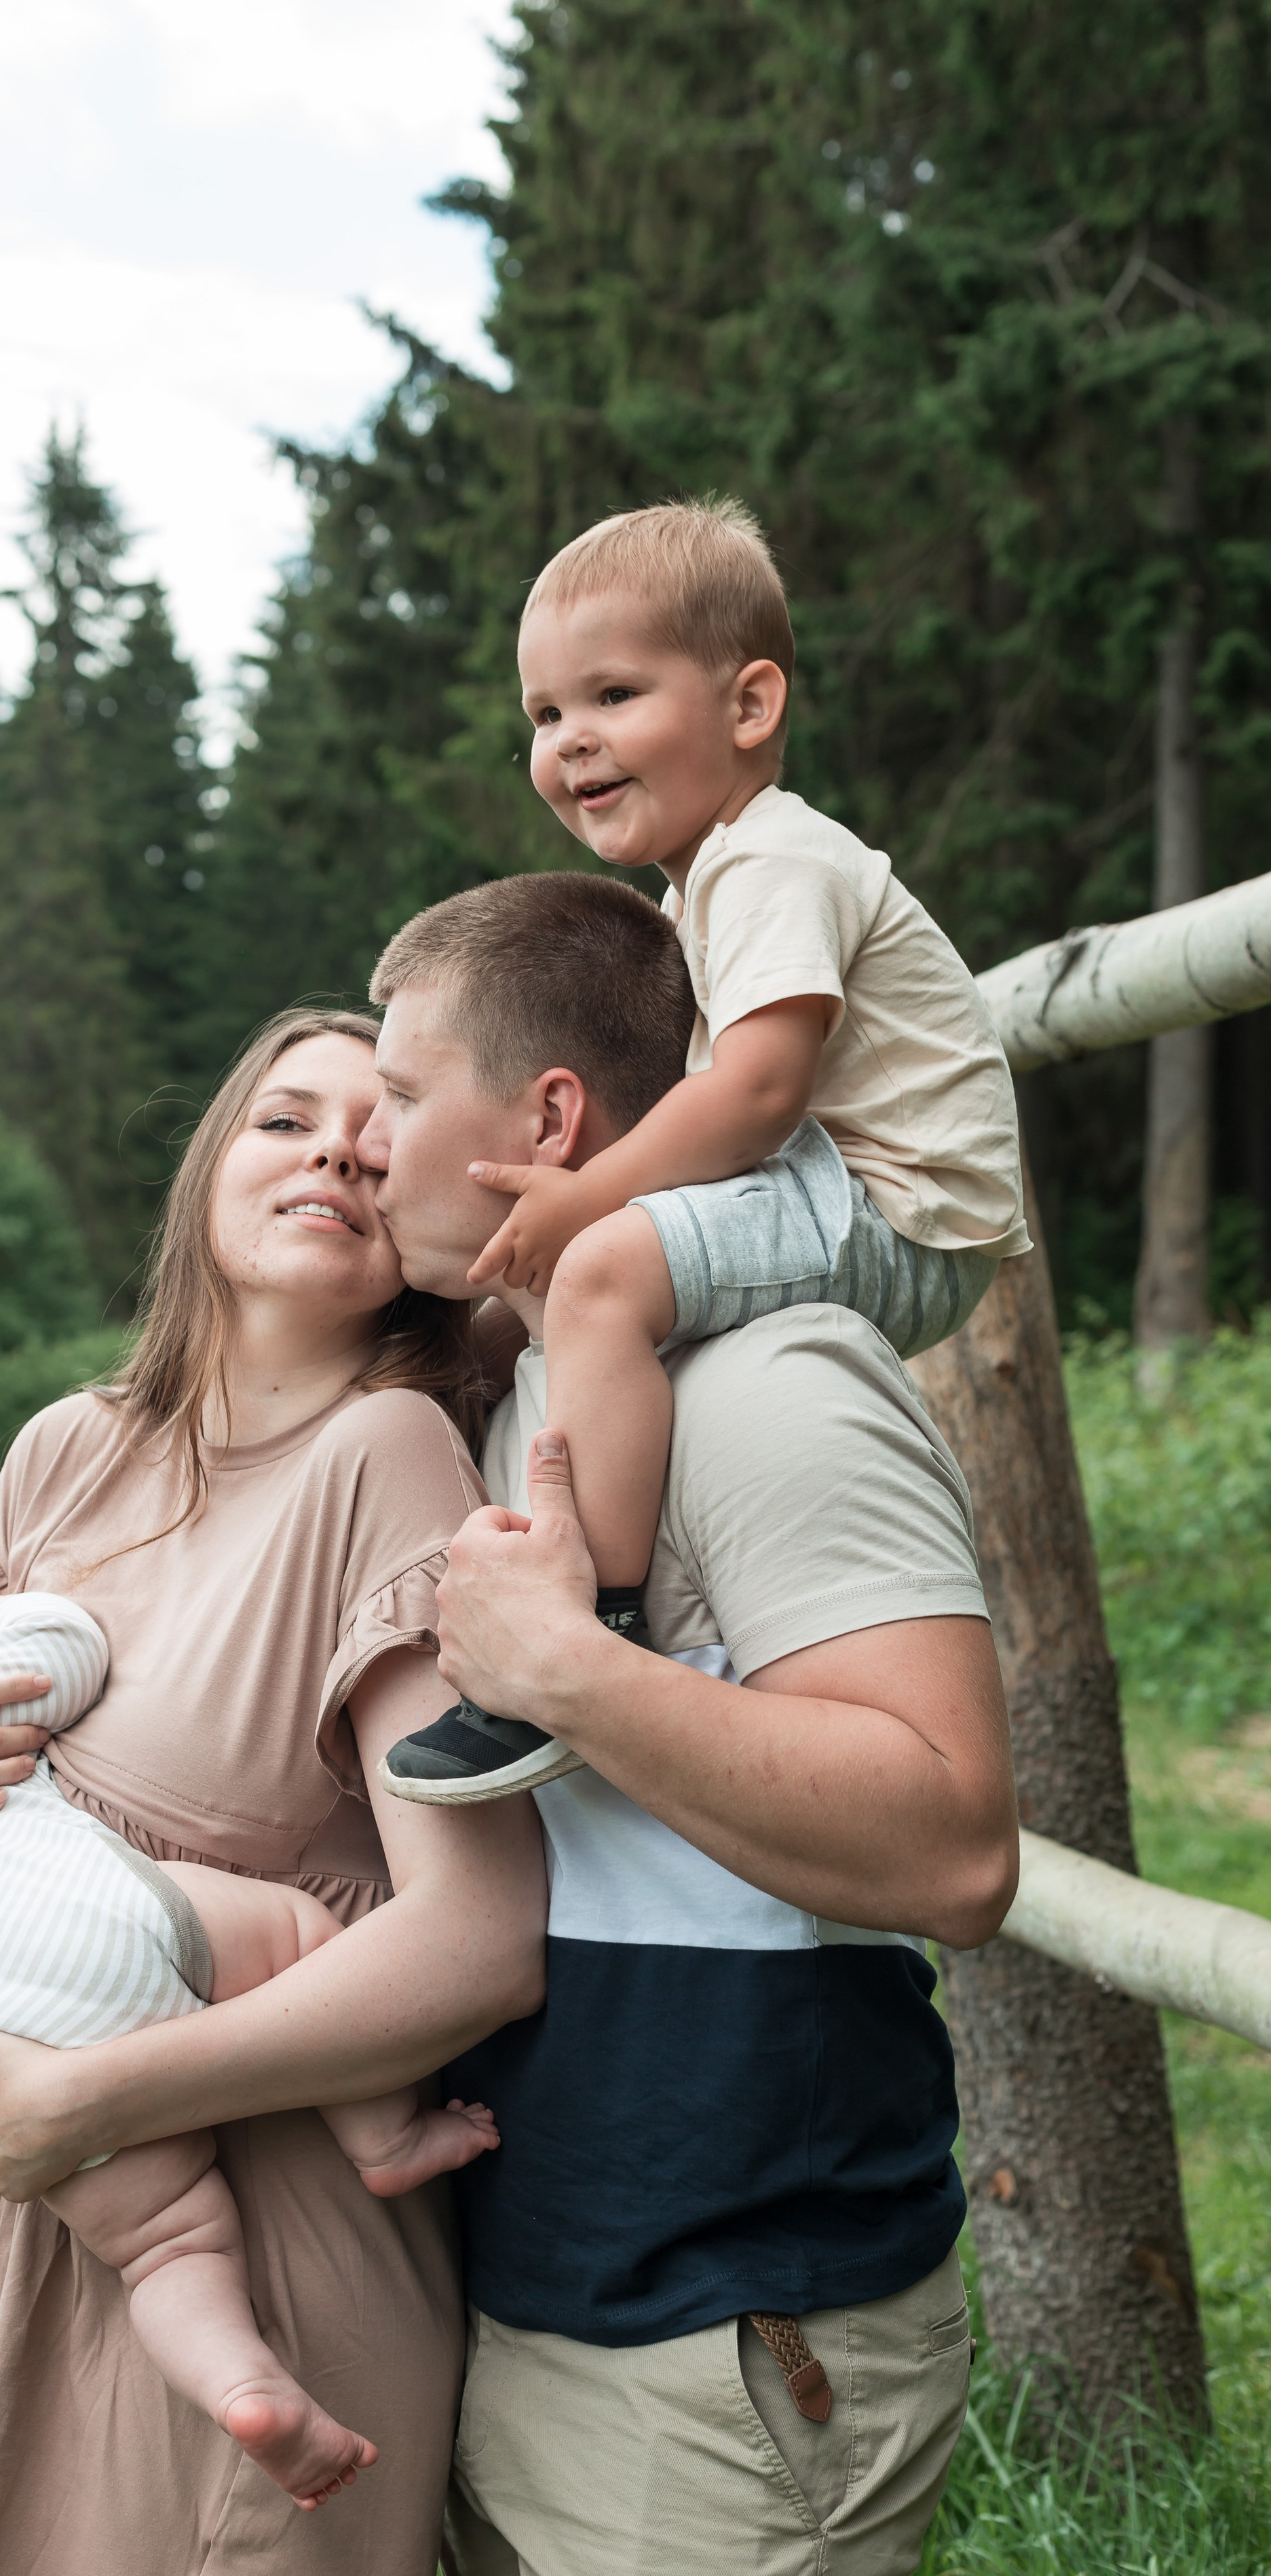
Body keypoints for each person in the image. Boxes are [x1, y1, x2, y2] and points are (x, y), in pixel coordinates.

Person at [0, 1009, 546, 2576]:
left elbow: (478, 1942)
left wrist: (97, 2097)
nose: (332, 1148)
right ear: (206, 1172)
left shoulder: (386, 1455)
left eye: (374, 1135)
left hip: (248, 2220)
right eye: (282, 1120)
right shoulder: (66, 1451)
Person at [352, 867, 1019, 2574]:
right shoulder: (536, 1403)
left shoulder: (768, 1383)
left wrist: (564, 1668)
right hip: (548, 2295)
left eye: (402, 1090)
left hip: (727, 2338)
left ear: (549, 1115)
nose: (365, 1138)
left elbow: (949, 1845)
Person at [385, 499, 1029, 1801]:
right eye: (545, 715)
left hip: (900, 1203)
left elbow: (758, 1091)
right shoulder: (713, 882)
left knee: (606, 1276)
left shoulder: (773, 863)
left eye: (613, 695)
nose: (572, 743)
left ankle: (593, 1621)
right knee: (576, 1301)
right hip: (847, 1185)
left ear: (750, 707)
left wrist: (585, 1204)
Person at [0, 1586, 497, 2510]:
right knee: (298, 1935)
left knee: (169, 2253)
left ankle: (244, 2391)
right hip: (99, 1941)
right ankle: (386, 2139)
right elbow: (65, 1646)